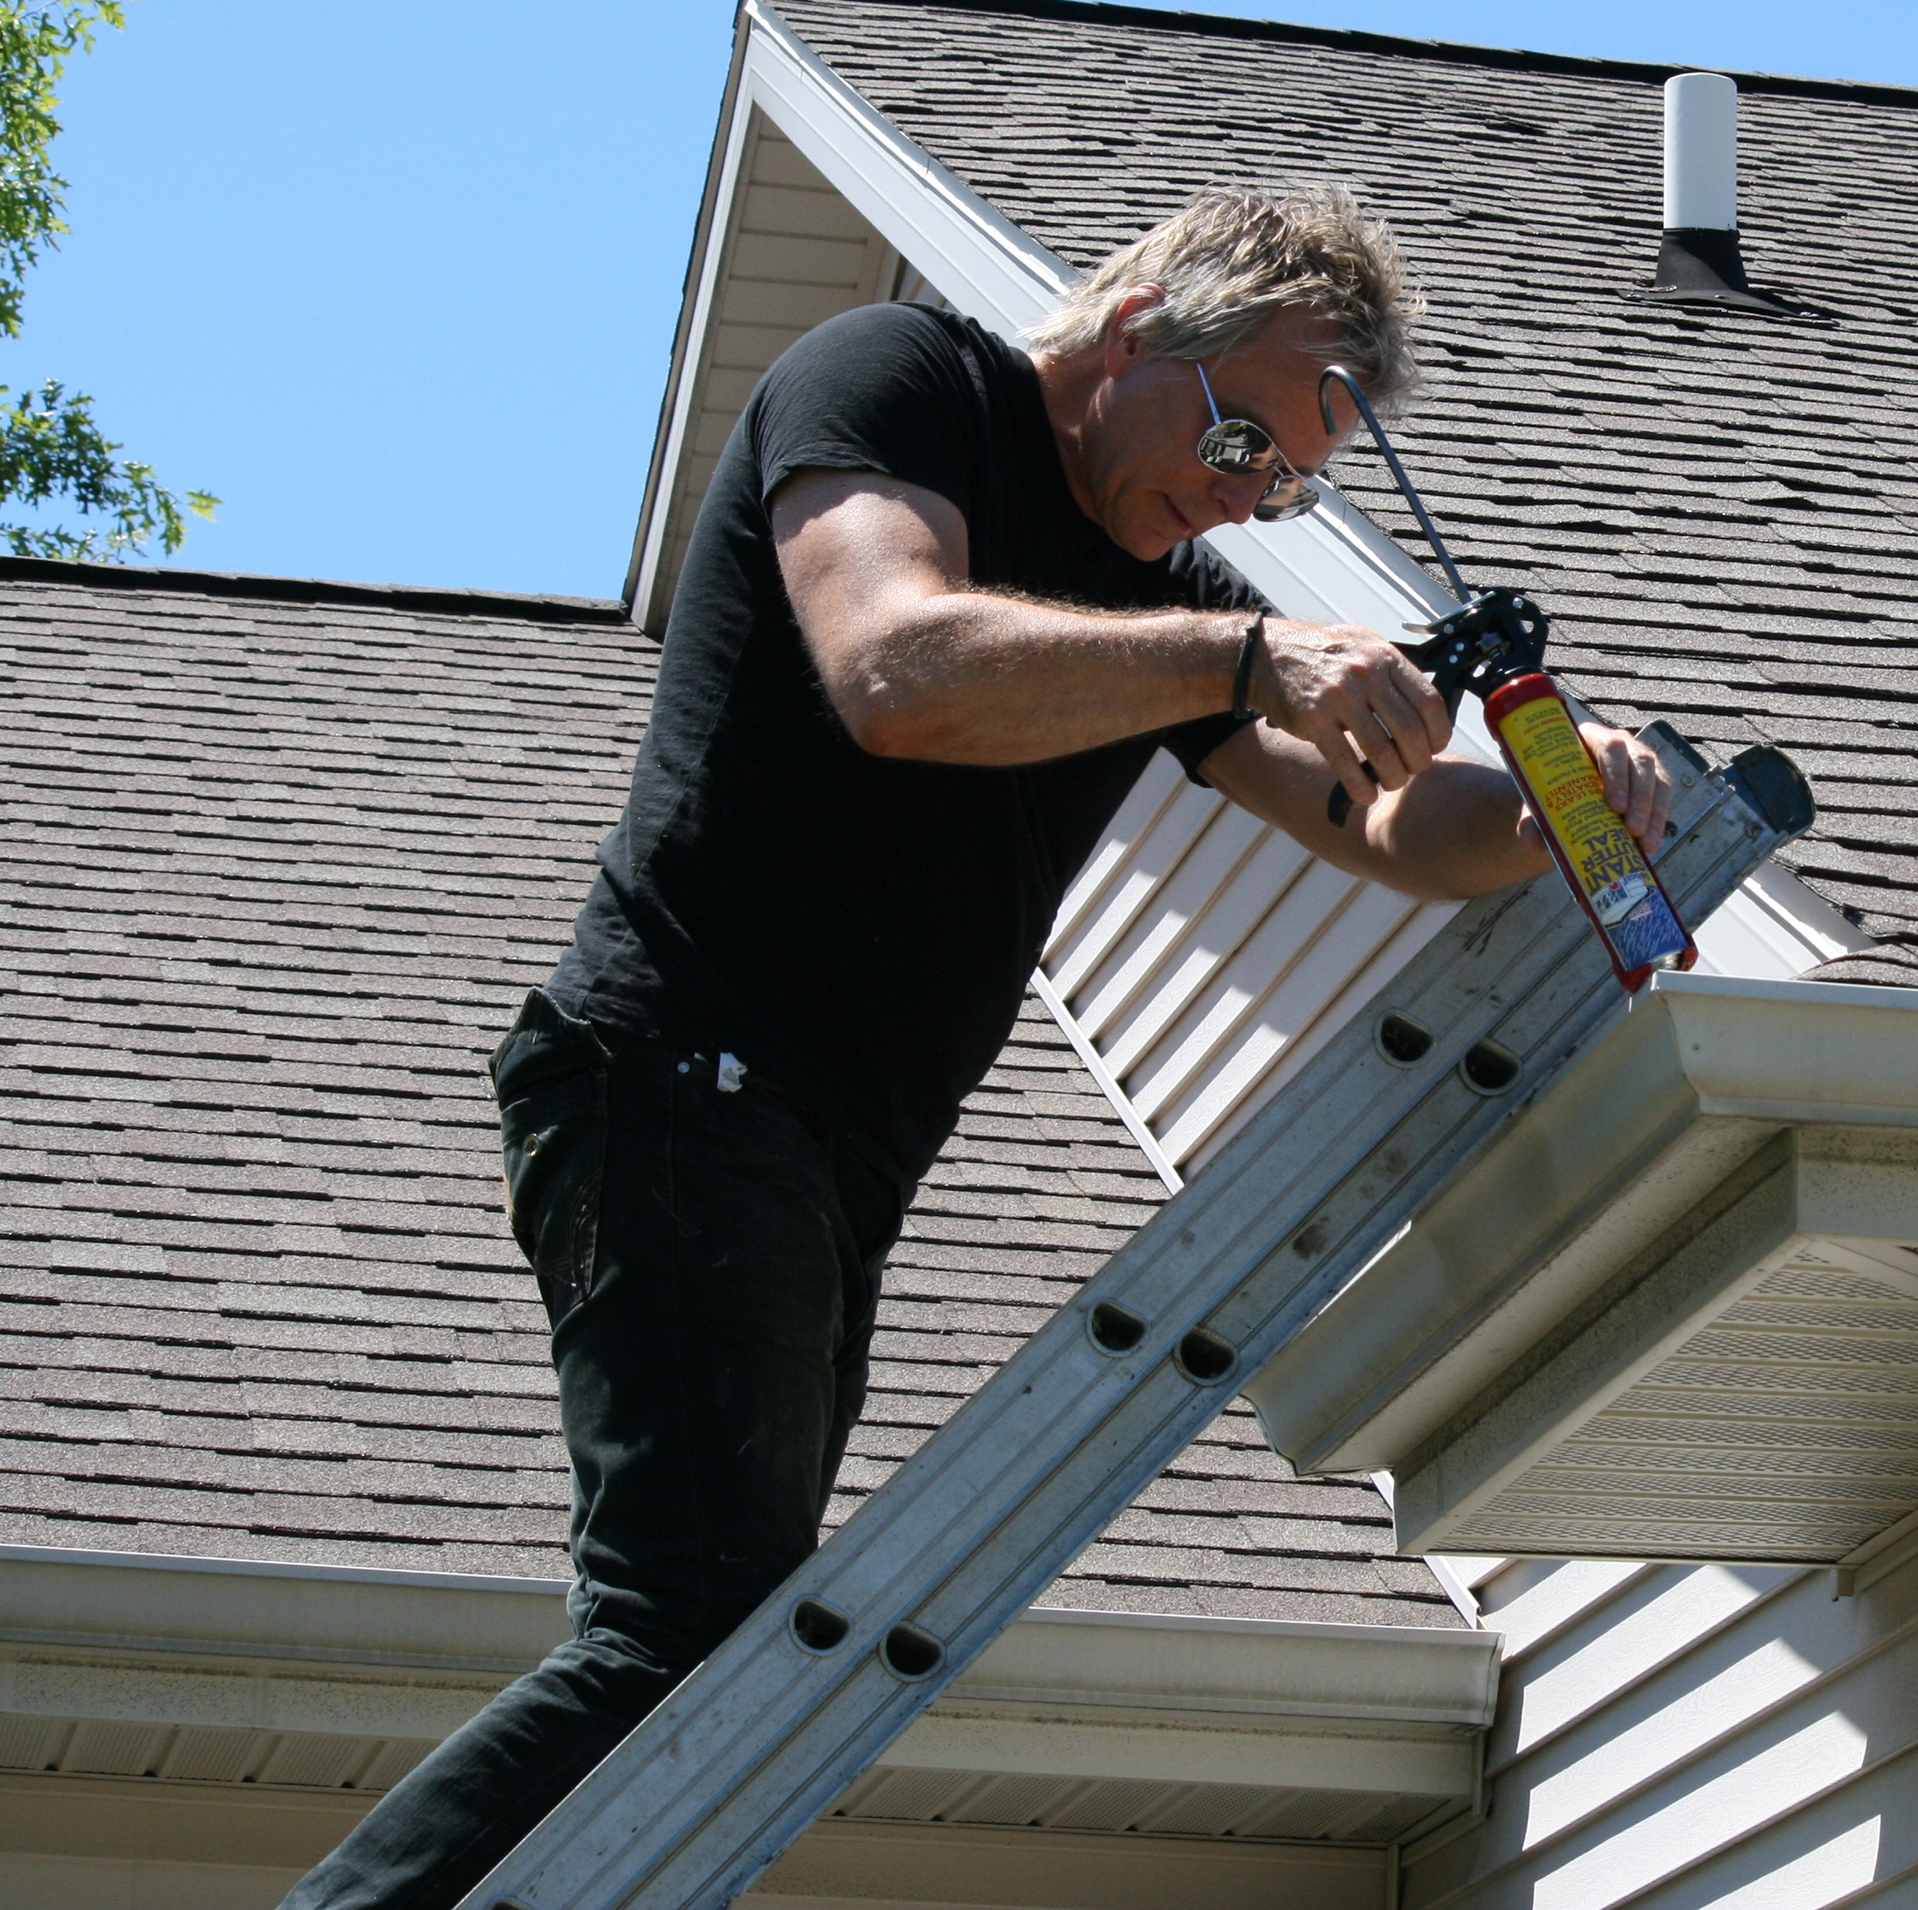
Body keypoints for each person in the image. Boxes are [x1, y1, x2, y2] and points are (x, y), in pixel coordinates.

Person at [282, 186, 1672, 1908]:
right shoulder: (892, 380)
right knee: (689, 1645)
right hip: (682, 1077)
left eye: (1283, 481)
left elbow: (1384, 831)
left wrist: (1560, 794)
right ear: (1139, 315)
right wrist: (1247, 655)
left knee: (724, 1677)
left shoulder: (1154, 588)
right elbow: (899, 666)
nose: (1241, 497)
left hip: (815, 1157)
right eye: (1239, 432)